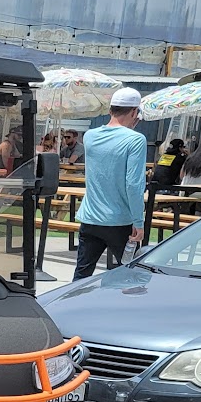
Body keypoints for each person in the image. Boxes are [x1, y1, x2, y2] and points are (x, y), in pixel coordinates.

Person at [75, 87, 148, 279]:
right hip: (120, 220)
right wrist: (138, 222)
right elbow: (133, 184)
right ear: (134, 112)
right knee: (130, 276)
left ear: (111, 110)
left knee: (82, 274)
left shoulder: (89, 136)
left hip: (90, 217)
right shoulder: (136, 140)